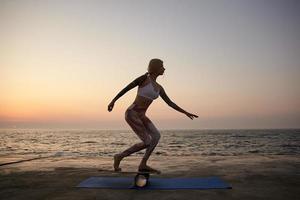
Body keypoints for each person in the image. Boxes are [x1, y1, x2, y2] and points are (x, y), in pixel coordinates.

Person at [107, 58, 198, 173]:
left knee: (156, 136)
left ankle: (143, 164)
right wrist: (113, 101)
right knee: (147, 141)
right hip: (132, 113)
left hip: (142, 116)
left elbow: (170, 103)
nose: (164, 69)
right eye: (162, 66)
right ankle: (119, 156)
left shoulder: (159, 88)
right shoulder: (144, 78)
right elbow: (126, 89)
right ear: (156, 67)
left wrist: (185, 112)